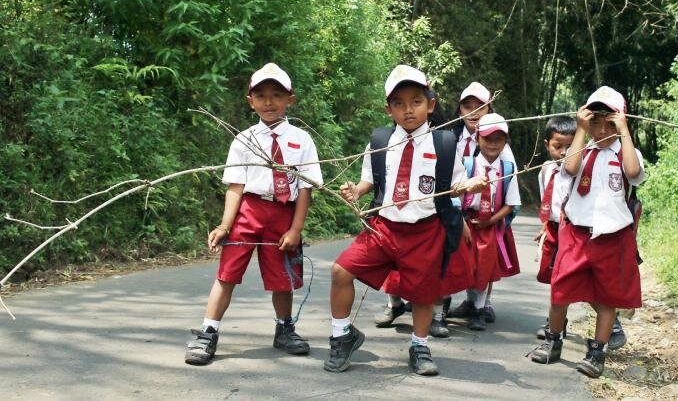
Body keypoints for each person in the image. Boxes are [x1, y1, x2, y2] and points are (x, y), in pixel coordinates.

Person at [324, 65, 486, 376]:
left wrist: (471, 185)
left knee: (424, 293)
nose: (408, 109)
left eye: (416, 101)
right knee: (341, 270)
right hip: (383, 228)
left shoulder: (444, 144)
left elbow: (455, 186)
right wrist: (354, 191)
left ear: (431, 105)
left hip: (425, 230)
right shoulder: (379, 141)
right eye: (399, 103)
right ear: (388, 109)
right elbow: (369, 182)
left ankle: (419, 345)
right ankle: (341, 335)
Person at [184, 63, 323, 365]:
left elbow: (305, 190)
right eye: (261, 95)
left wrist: (296, 229)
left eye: (276, 95)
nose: (269, 102)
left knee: (282, 279)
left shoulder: (302, 140)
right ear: (251, 101)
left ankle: (284, 328)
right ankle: (209, 332)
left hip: (284, 214)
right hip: (248, 211)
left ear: (290, 100)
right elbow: (235, 186)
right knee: (227, 274)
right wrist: (224, 225)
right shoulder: (243, 139)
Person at [529, 86, 645, 378]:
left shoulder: (627, 152)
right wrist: (581, 129)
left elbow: (633, 174)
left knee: (607, 299)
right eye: (595, 120)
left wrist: (624, 131)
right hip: (577, 233)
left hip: (612, 236)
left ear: (620, 121)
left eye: (609, 121)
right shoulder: (582, 149)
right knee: (561, 291)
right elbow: (568, 169)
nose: (601, 128)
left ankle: (597, 352)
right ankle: (553, 340)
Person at [534, 116, 628, 349]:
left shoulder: (582, 161)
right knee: (557, 280)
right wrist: (545, 226)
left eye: (569, 146)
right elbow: (548, 202)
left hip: (573, 230)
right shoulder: (545, 170)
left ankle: (612, 324)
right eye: (558, 147)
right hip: (555, 230)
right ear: (547, 145)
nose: (565, 152)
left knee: (579, 282)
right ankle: (556, 324)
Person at [455, 113, 520, 331]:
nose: (493, 144)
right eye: (487, 139)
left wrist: (490, 220)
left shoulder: (508, 170)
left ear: (505, 141)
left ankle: (479, 309)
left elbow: (511, 204)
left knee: (483, 267)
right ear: (477, 139)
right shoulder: (466, 165)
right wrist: (460, 222)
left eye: (498, 139)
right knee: (457, 264)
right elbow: (455, 194)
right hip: (465, 222)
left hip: (488, 226)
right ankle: (444, 307)